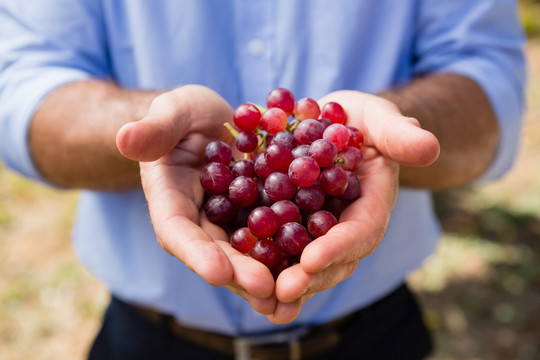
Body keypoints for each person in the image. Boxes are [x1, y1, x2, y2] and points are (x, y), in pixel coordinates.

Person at [0, 1, 526, 359]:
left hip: (377, 334)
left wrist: (383, 133)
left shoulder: (315, 158)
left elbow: (488, 76)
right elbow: (22, 85)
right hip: (146, 340)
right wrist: (151, 130)